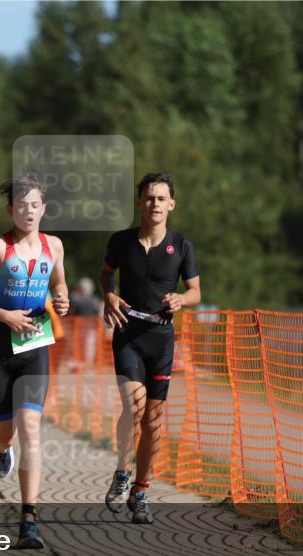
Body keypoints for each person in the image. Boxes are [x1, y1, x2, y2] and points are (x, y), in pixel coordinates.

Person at [0, 173, 70, 549]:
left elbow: (59, 284)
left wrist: (63, 298)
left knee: (31, 427)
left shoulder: (54, 246)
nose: (29, 211)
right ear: (11, 209)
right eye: (22, 205)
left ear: (44, 209)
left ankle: (29, 520)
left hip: (35, 344)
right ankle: (0, 447)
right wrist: (4, 315)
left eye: (35, 205)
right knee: (7, 432)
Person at [100, 172, 200, 524]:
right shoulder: (122, 241)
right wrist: (109, 294)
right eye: (149, 198)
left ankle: (141, 492)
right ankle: (122, 471)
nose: (155, 203)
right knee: (134, 405)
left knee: (153, 421)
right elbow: (106, 274)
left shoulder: (181, 245)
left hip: (161, 338)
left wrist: (182, 299)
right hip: (128, 331)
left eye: (161, 198)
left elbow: (196, 291)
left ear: (171, 204)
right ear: (139, 203)